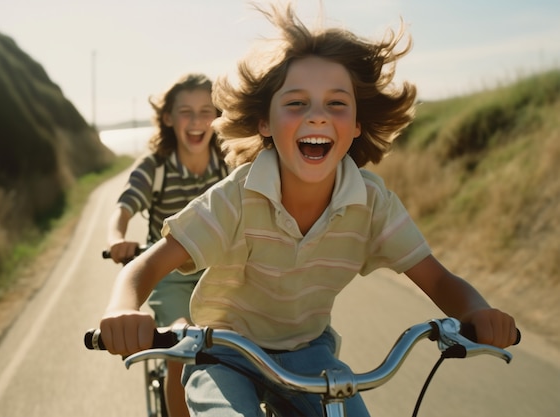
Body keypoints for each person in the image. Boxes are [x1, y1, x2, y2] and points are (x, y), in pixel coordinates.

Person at [100, 3, 518, 416]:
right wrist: (122, 308)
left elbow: (439, 280)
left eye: (336, 104)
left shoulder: (372, 204)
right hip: (222, 348)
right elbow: (144, 268)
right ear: (264, 122)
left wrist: (476, 311)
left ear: (356, 125)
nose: (317, 116)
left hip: (309, 351)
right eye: (297, 103)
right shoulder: (237, 197)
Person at [105, 72, 228, 417]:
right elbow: (124, 207)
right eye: (185, 112)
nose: (196, 121)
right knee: (183, 343)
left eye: (206, 111)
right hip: (170, 276)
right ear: (168, 118)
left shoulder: (228, 164)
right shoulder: (156, 166)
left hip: (219, 271)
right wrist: (117, 239)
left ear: (218, 118)